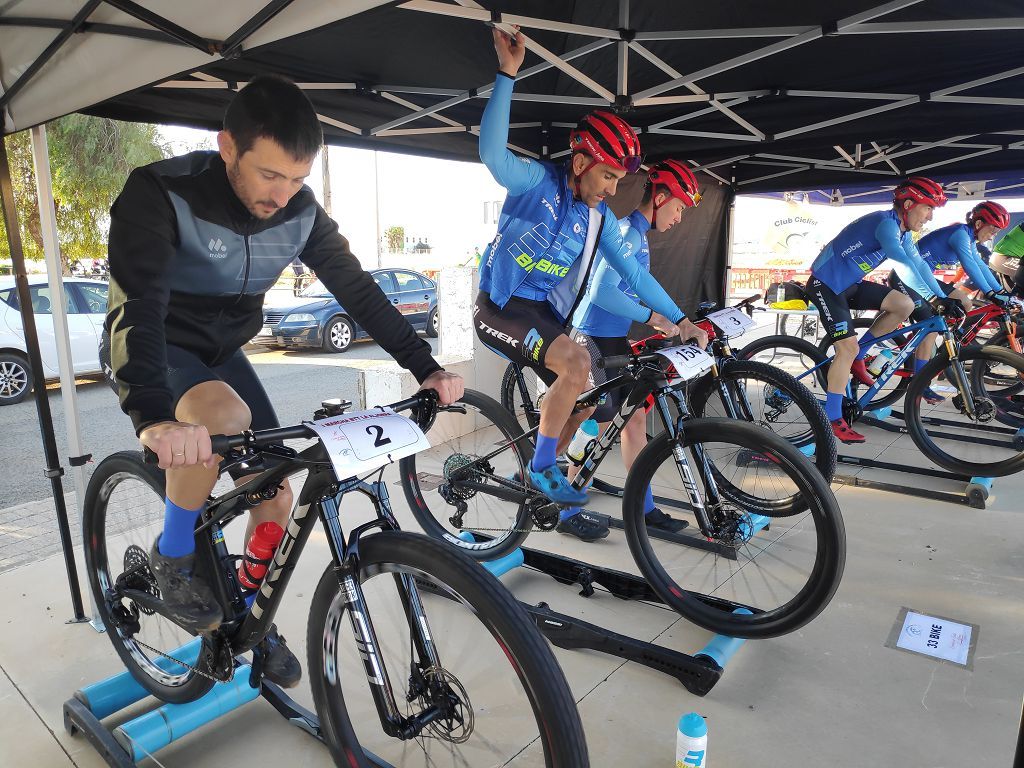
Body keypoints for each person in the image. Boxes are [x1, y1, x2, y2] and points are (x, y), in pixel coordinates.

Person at [104, 74, 463, 686]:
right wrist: (155, 415)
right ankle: (172, 555)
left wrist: (425, 366)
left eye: (298, 179)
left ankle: (245, 618)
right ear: (227, 148)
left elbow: (358, 290)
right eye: (270, 175)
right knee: (221, 417)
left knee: (276, 489)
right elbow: (140, 304)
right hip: (156, 341)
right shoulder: (161, 193)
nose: (283, 194)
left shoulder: (300, 213)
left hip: (223, 348)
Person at [475, 27, 703, 525]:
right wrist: (507, 75)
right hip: (498, 307)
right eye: (607, 177)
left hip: (541, 315)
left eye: (620, 181)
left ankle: (544, 473)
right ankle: (540, 470)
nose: (613, 189)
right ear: (580, 162)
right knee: (578, 365)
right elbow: (492, 156)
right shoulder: (539, 184)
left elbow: (636, 278)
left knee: (580, 387)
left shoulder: (599, 220)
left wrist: (680, 318)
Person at [560, 159, 704, 540]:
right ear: (659, 198)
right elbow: (602, 292)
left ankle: (646, 507)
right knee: (596, 423)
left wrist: (678, 318)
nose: (678, 219)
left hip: (611, 338)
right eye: (677, 208)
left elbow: (639, 283)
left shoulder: (636, 235)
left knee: (633, 420)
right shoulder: (627, 233)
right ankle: (566, 504)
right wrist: (653, 316)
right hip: (590, 337)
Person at [805, 177, 963, 444]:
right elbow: (902, 263)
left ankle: (860, 356)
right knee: (846, 348)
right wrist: (933, 299)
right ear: (909, 203)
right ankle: (833, 417)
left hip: (850, 285)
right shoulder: (886, 224)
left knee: (904, 304)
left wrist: (940, 296)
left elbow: (920, 266)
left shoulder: (903, 231)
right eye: (928, 208)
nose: (930, 217)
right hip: (826, 285)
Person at [893, 201, 1011, 313]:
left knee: (965, 303)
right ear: (979, 224)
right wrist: (990, 293)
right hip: (905, 275)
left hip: (923, 277)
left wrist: (1000, 290)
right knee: (932, 324)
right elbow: (970, 266)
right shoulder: (960, 234)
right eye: (993, 231)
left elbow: (980, 265)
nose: (993, 236)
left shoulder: (970, 239)